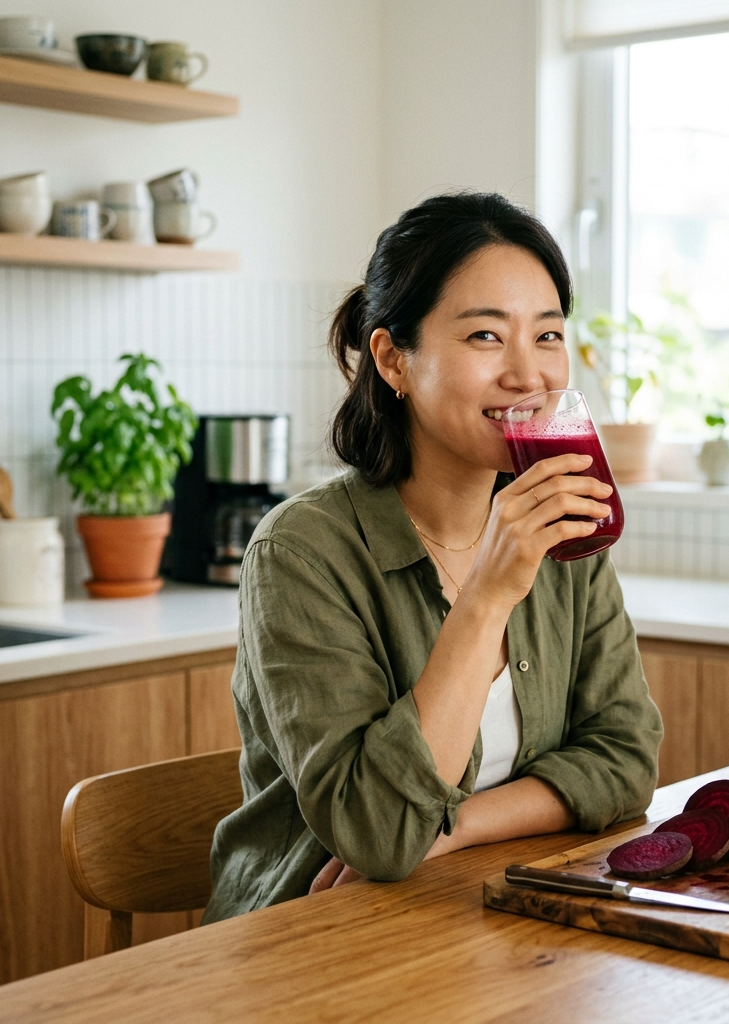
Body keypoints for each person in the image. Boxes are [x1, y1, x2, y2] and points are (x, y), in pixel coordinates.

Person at [202, 192, 663, 922]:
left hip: (482, 913)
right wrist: (484, 599)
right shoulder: (301, 551)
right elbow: (380, 835)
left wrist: (455, 826)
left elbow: (626, 759)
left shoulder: (560, 524)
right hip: (310, 937)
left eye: (547, 336)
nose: (528, 375)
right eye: (485, 336)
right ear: (393, 360)